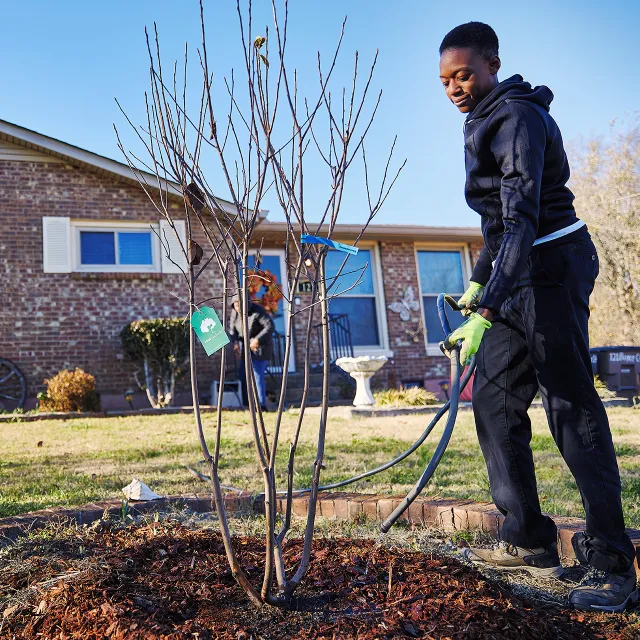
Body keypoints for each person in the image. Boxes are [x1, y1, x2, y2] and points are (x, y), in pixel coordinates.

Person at [439, 22, 637, 612]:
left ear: (493, 63)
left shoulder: (518, 117)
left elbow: (523, 215)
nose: (454, 87)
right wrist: (478, 293)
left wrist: (491, 301)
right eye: (445, 79)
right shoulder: (480, 119)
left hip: (552, 266)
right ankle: (527, 538)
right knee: (495, 401)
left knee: (569, 407)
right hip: (514, 268)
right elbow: (497, 225)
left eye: (464, 73)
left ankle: (611, 562)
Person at [229, 296, 274, 411]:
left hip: (260, 349)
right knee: (243, 375)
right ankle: (247, 404)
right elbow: (232, 330)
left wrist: (257, 340)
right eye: (236, 305)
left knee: (257, 375)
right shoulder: (235, 313)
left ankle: (261, 405)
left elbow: (269, 326)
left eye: (240, 305)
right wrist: (235, 343)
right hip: (245, 349)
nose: (238, 308)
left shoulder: (258, 311)